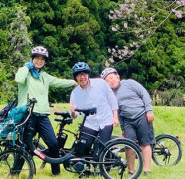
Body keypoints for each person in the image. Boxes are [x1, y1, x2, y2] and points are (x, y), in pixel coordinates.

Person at [13, 46, 77, 176]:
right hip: (28, 114)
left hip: (42, 115)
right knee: (25, 145)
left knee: (53, 144)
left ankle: (56, 173)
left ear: (45, 62)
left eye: (42, 59)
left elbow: (59, 82)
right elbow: (18, 79)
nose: (39, 61)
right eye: (36, 58)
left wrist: (74, 83)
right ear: (32, 59)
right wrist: (27, 67)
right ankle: (14, 174)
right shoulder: (26, 72)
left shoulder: (44, 76)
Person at [101, 67, 155, 176]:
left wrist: (149, 110)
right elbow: (117, 111)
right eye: (107, 80)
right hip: (127, 121)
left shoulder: (130, 83)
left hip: (142, 116)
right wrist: (122, 128)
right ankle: (131, 171)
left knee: (145, 143)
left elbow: (144, 94)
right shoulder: (110, 94)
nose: (111, 81)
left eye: (112, 78)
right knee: (129, 145)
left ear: (117, 76)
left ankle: (147, 170)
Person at [69, 62, 119, 157]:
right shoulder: (75, 93)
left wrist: (115, 117)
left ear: (88, 74)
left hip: (106, 120)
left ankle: (105, 168)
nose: (82, 77)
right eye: (79, 75)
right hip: (89, 123)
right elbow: (75, 115)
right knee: (84, 145)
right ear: (76, 78)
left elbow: (112, 99)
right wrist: (72, 112)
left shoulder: (100, 83)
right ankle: (86, 169)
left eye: (84, 74)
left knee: (104, 147)